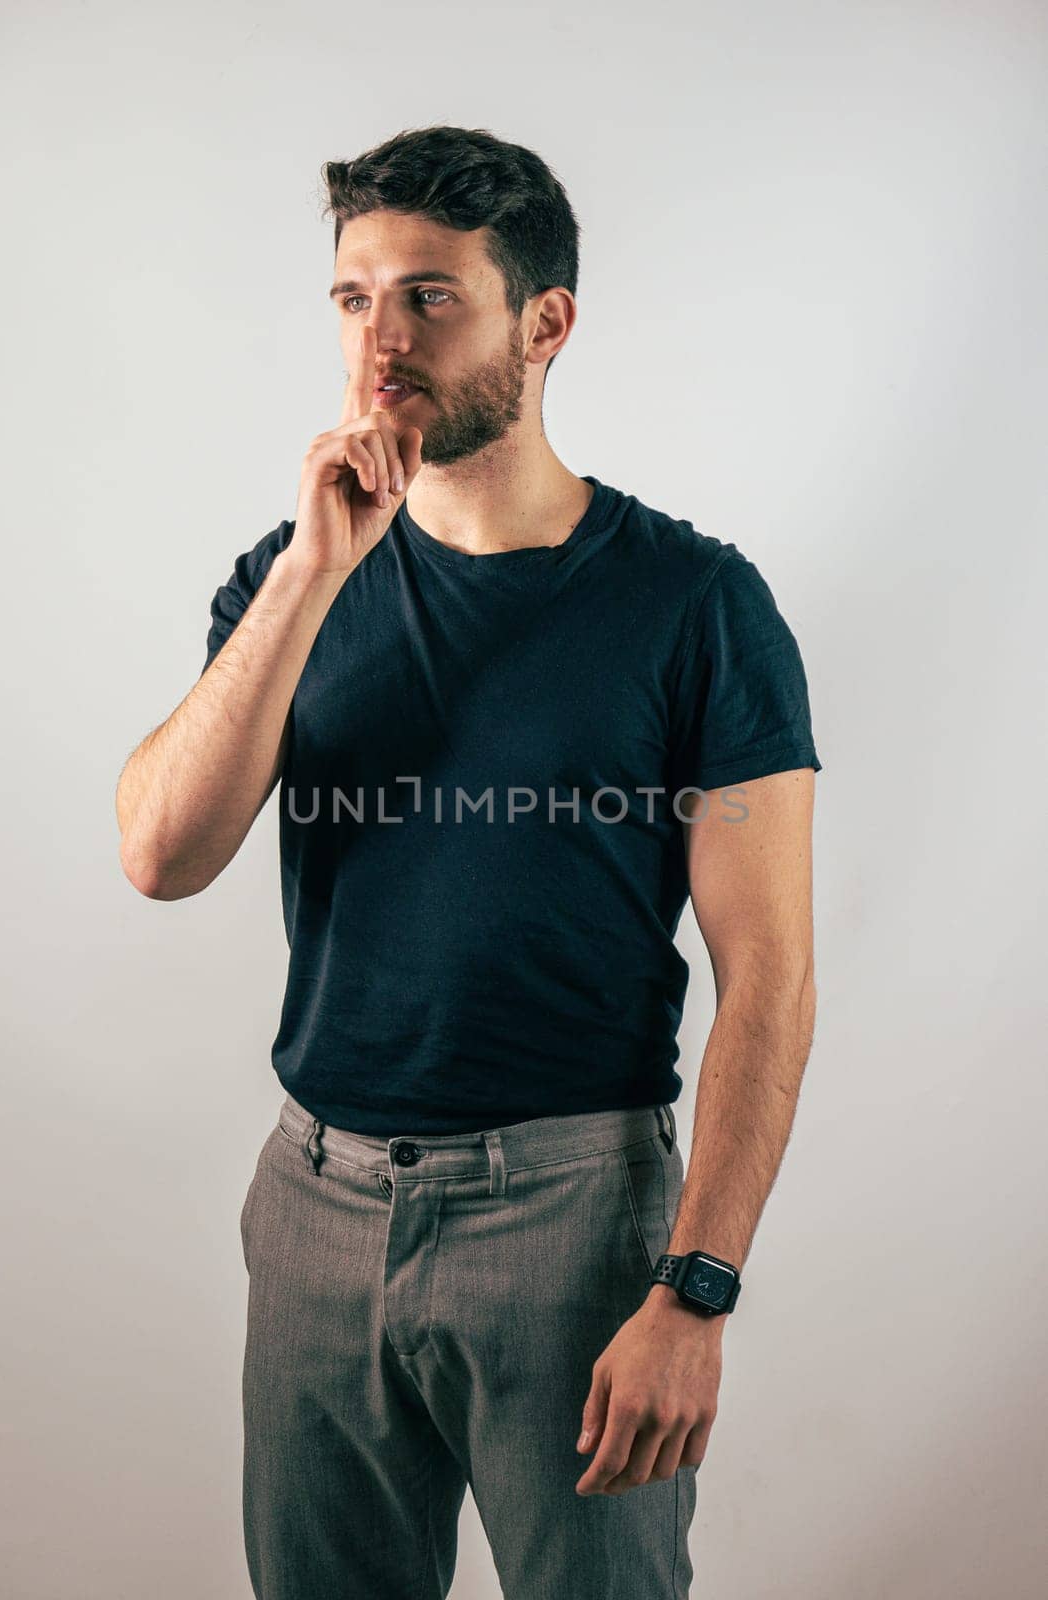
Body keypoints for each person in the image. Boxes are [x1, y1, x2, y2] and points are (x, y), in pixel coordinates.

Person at [116, 123, 822, 1600]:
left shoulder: (697, 606)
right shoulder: (286, 577)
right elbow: (160, 853)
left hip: (573, 1222)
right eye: (355, 298)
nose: (383, 340)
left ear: (543, 322)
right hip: (316, 1205)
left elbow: (769, 975)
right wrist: (317, 572)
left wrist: (695, 1291)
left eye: (430, 295)